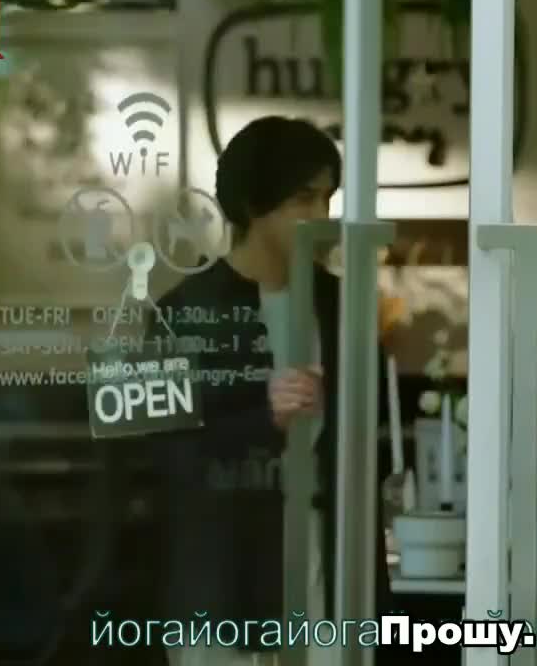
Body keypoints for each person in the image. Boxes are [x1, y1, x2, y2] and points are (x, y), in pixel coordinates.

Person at [144, 116, 398, 665]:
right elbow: (160, 453)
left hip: (329, 562)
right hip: (225, 576)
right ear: (252, 205)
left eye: (327, 198)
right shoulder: (182, 310)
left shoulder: (344, 306)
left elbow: (378, 429)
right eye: (303, 199)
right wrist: (265, 416)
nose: (320, 216)